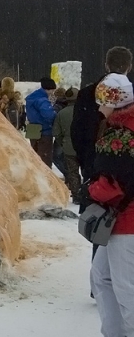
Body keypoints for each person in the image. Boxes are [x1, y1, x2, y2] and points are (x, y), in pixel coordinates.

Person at [89, 47, 134, 337]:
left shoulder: (123, 134)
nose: (98, 106)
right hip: (119, 219)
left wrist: (92, 188)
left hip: (126, 220)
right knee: (101, 277)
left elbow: (120, 182)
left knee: (125, 286)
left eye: (103, 101)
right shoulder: (117, 127)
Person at [52, 87, 81, 202]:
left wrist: (63, 143)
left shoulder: (61, 113)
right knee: (86, 171)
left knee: (72, 172)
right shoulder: (84, 111)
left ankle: (76, 194)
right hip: (84, 146)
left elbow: (57, 133)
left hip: (69, 146)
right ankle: (87, 194)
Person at [25, 78, 58, 167]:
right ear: (48, 89)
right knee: (44, 158)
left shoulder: (32, 98)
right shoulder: (42, 100)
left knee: (34, 156)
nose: (52, 93)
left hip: (33, 130)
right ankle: (45, 179)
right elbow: (49, 115)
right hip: (44, 131)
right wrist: (55, 113)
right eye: (52, 90)